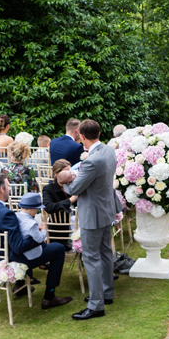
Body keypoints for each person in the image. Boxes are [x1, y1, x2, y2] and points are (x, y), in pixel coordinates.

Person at [0, 174, 72, 310]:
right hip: (7, 263)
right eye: (8, 185)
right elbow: (18, 247)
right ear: (1, 189)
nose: (10, 188)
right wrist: (38, 237)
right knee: (58, 248)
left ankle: (20, 286)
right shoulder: (7, 214)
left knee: (39, 246)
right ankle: (49, 297)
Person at [65, 120, 118, 320]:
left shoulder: (91, 161)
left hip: (92, 215)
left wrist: (66, 179)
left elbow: (74, 189)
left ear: (81, 136)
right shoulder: (109, 150)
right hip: (106, 209)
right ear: (99, 133)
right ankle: (106, 293)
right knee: (105, 252)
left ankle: (96, 305)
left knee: (91, 257)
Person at [14, 193, 48, 263]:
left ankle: (43, 264)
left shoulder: (15, 215)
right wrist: (44, 230)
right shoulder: (32, 223)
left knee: (45, 244)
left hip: (18, 251)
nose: (37, 210)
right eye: (37, 208)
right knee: (59, 248)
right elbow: (39, 239)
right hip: (30, 254)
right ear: (32, 209)